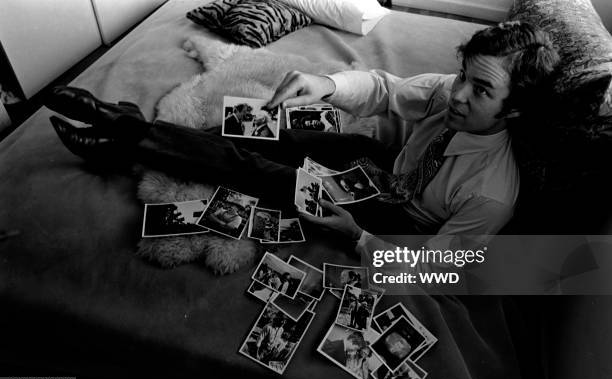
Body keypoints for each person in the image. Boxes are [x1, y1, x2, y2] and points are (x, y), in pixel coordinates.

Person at [45, 22, 560, 267]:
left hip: (392, 217)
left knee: (266, 173)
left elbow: (441, 267)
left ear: (513, 110)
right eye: (464, 75)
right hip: (384, 166)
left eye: (482, 89)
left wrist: (358, 235)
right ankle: (136, 138)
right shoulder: (452, 92)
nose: (459, 94)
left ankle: (124, 134)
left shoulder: (492, 194)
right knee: (275, 130)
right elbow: (383, 89)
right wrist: (328, 86)